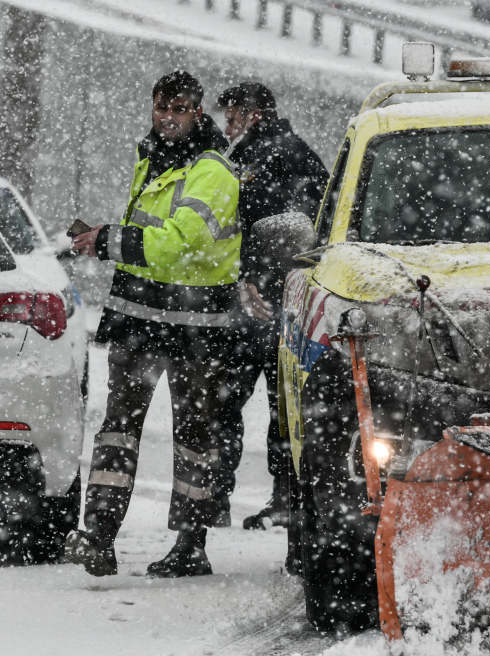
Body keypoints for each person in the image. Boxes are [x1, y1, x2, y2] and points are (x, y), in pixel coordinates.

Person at [64, 70, 240, 578]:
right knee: (118, 429)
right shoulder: (152, 157)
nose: (168, 117)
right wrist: (109, 240)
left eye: (179, 108)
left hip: (194, 326)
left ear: (197, 112)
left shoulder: (213, 172)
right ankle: (99, 533)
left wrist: (108, 240)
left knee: (193, 436)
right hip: (139, 319)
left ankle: (191, 544)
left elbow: (178, 243)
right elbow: (153, 238)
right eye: (162, 106)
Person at [214, 81, 328, 530]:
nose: (227, 124)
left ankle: (273, 500)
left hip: (274, 305)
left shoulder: (280, 155)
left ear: (253, 115)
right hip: (259, 303)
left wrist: (258, 278)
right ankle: (266, 500)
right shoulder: (248, 156)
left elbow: (293, 229)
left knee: (271, 408)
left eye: (233, 115)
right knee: (263, 407)